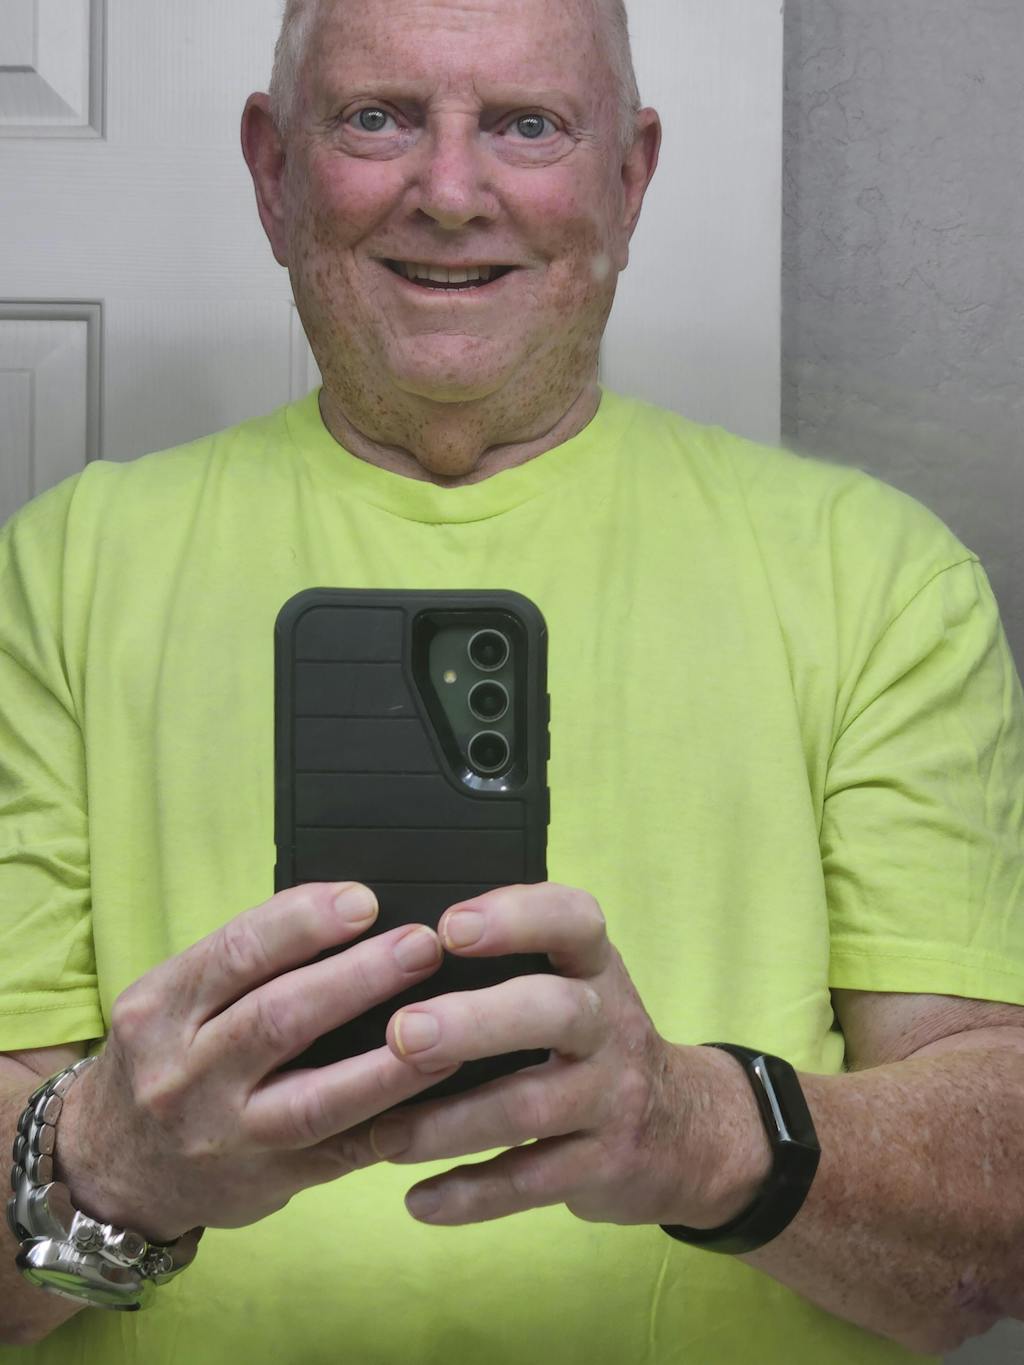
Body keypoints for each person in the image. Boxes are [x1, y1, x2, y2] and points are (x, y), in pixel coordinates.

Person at [2, 0, 1023, 1359]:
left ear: (629, 176)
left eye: (527, 125)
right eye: (377, 118)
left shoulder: (878, 575)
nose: (449, 191)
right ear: (273, 168)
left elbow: (996, 1223)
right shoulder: (65, 569)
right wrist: (106, 1160)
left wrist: (695, 1128)